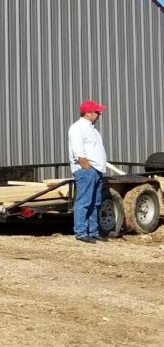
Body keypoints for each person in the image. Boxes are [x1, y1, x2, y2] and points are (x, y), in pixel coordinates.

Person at [68, 100, 108, 243]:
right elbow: (78, 151)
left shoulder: (93, 129)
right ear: (88, 113)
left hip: (96, 170)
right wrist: (87, 167)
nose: (99, 114)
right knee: (84, 201)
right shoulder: (77, 128)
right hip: (87, 170)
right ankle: (81, 232)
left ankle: (93, 232)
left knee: (95, 202)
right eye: (97, 112)